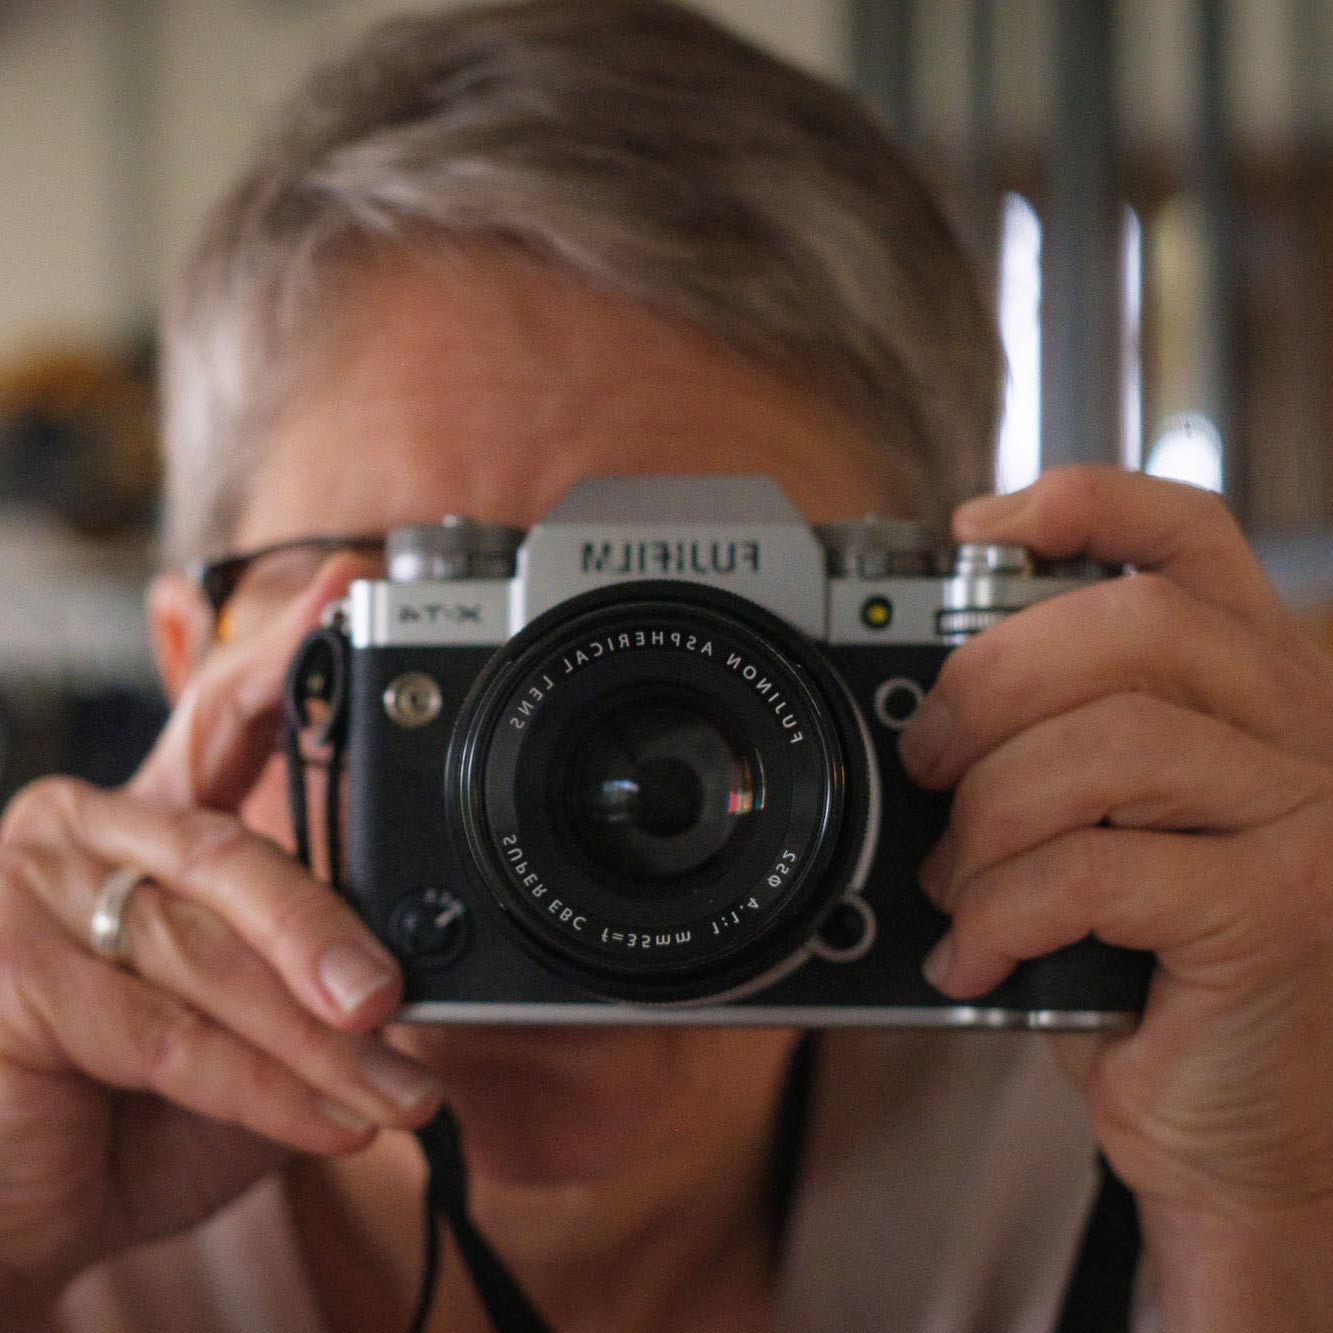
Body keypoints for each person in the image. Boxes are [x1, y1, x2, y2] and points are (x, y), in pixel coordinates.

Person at [2, 2, 1331, 1329]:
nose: (566, 772)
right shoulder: (48, 1144)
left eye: (696, 637)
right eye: (436, 605)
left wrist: (1263, 1218)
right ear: (199, 665)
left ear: (929, 670)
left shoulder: (1141, 1126)